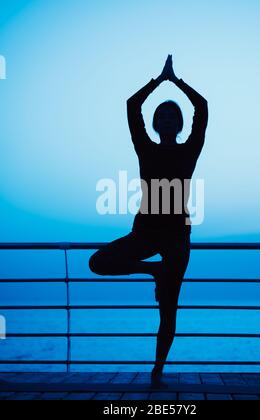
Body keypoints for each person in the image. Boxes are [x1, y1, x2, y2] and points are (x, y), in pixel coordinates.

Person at [89, 55, 208, 386]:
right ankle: (153, 270)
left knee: (169, 308)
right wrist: (159, 80)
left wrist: (177, 81)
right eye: (162, 115)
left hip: (177, 237)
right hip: (144, 231)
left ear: (180, 124)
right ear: (155, 124)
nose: (167, 119)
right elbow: (132, 106)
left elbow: (203, 107)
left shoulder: (191, 149)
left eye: (173, 115)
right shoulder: (145, 147)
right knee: (97, 262)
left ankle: (157, 371)